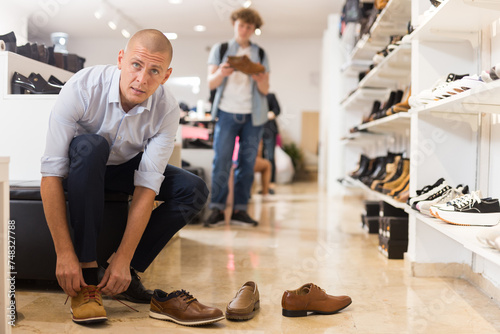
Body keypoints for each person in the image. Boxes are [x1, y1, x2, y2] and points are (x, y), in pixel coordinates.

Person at [40, 29, 208, 324]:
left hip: (123, 168)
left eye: (154, 71)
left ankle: (125, 276)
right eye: (136, 65)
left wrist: (124, 257)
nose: (142, 79)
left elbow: (147, 186)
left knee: (193, 189)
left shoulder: (167, 110)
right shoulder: (83, 87)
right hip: (80, 166)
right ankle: (88, 275)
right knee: (93, 146)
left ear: (165, 76)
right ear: (121, 59)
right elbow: (51, 174)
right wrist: (64, 253)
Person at [204, 7, 270, 227]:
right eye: (241, 25)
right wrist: (221, 73)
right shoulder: (221, 49)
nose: (244, 30)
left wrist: (260, 78)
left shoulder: (260, 54)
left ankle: (240, 210)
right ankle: (217, 209)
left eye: (249, 27)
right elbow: (210, 82)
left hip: (254, 115)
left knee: (247, 163)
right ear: (234, 24)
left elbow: (265, 89)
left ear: (254, 30)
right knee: (221, 161)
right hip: (226, 112)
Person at [262, 92, 281, 193]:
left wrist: (271, 114)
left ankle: (271, 185)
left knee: (270, 157)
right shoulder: (252, 95)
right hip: (256, 130)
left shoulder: (270, 96)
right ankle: (263, 186)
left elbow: (277, 110)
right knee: (259, 159)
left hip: (269, 130)